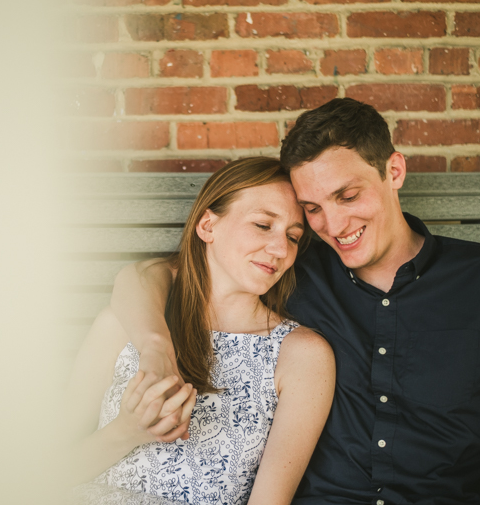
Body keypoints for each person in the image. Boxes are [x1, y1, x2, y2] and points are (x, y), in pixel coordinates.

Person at [109, 98, 480, 505]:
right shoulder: (291, 264)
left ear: (394, 170)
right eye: (312, 208)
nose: (333, 225)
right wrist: (156, 348)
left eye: (348, 196)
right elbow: (149, 274)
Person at [64, 157, 335, 505]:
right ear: (208, 226)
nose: (281, 250)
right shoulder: (127, 322)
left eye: (293, 237)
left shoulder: (301, 355)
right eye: (263, 225)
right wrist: (127, 431)